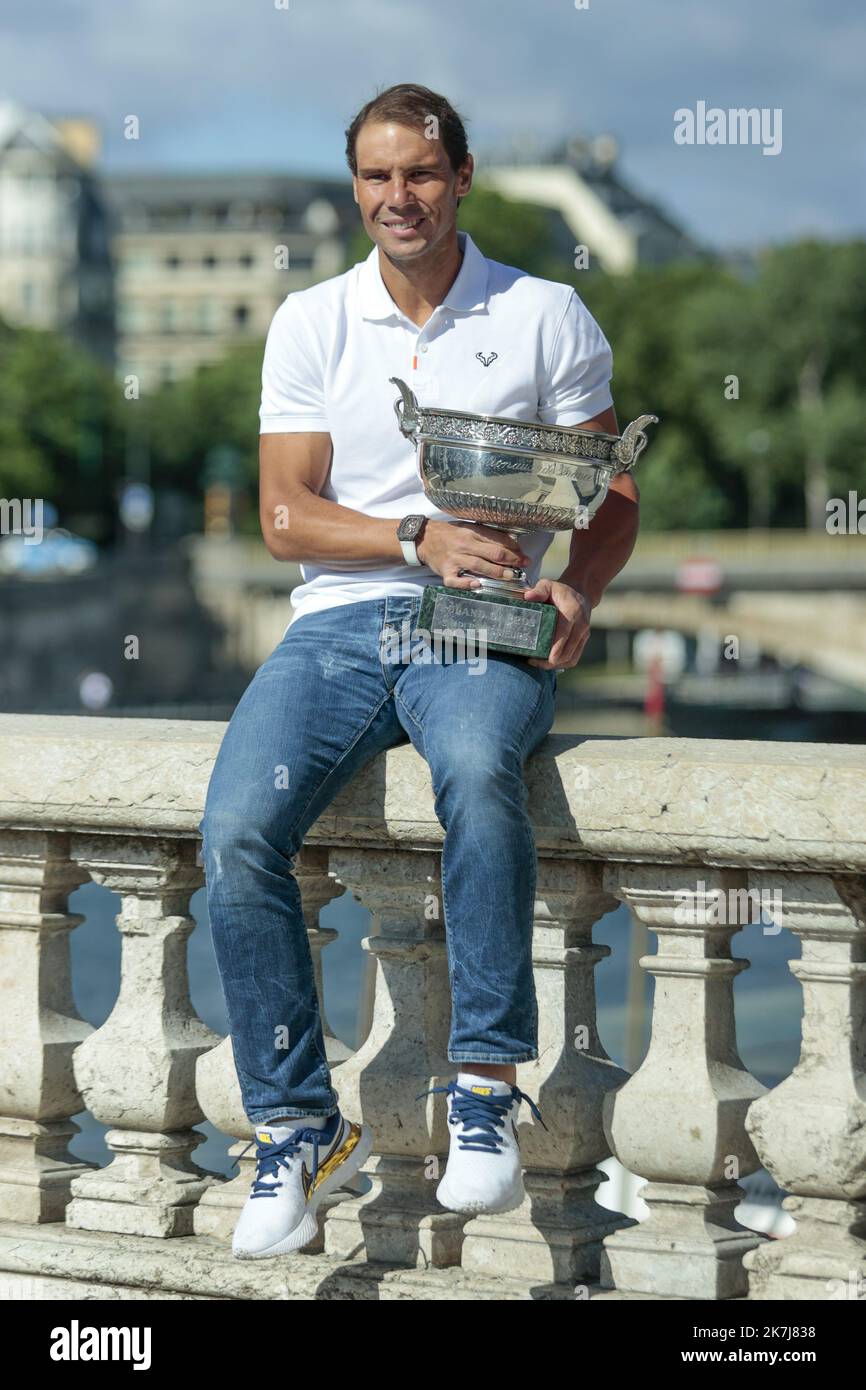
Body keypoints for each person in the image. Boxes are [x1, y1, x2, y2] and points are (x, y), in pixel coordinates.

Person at [199, 82, 640, 1260]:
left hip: (482, 620)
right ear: (355, 187)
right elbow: (285, 521)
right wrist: (409, 537)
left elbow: (612, 492)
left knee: (476, 771)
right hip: (341, 619)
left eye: (421, 174)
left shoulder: (544, 312)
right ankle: (297, 1125)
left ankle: (487, 1084)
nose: (398, 197)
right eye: (377, 176)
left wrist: (577, 589)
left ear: (462, 178)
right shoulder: (310, 320)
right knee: (237, 827)